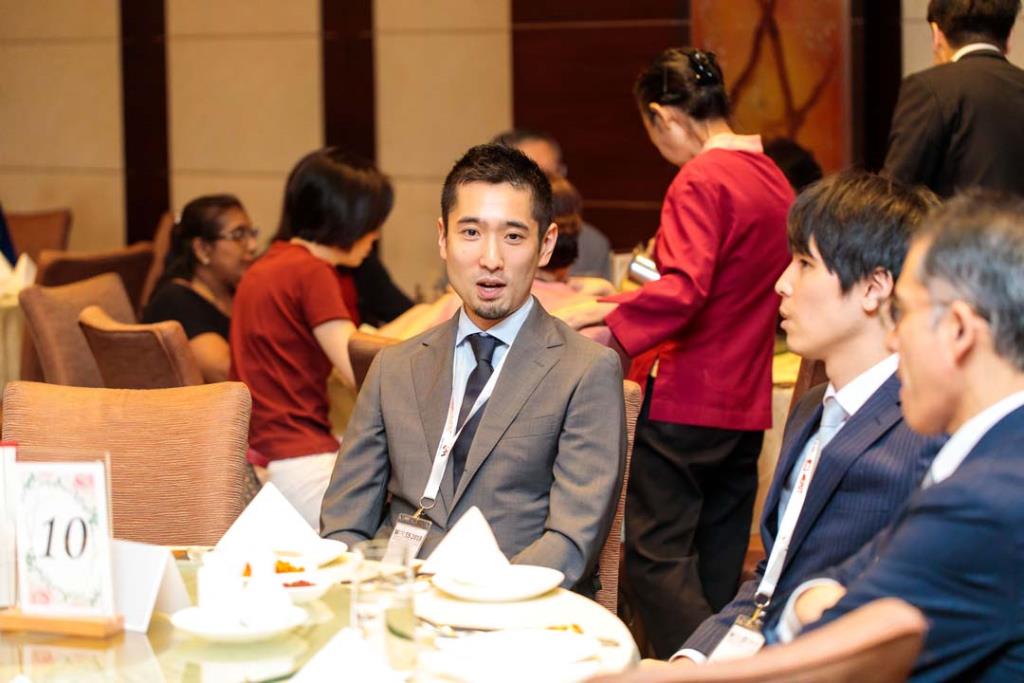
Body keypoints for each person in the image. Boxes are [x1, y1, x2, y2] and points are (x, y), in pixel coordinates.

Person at [559, 47, 794, 656]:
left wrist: (611, 319)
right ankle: (728, 658)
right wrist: (619, 303)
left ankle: (704, 669)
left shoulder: (700, 178)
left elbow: (685, 288)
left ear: (664, 116)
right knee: (718, 556)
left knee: (655, 556)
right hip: (746, 396)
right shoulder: (772, 176)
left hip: (690, 393)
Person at [320, 144, 625, 592]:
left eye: (513, 237)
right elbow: (344, 524)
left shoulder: (585, 370)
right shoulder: (394, 366)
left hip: (512, 603)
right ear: (443, 238)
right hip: (395, 599)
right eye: (470, 233)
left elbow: (570, 541)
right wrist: (378, 595)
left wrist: (475, 598)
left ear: (546, 245)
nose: (491, 259)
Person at [669, 172, 943, 663]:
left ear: (874, 287)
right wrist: (689, 663)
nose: (782, 283)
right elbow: (769, 584)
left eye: (804, 263)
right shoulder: (811, 408)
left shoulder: (923, 433)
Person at [778, 191, 1024, 682]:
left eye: (904, 313)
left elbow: (835, 662)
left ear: (958, 330)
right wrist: (815, 601)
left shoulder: (989, 496)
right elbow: (843, 585)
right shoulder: (988, 455)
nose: (892, 339)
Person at [230, 148, 393, 527]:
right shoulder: (312, 272)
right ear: (347, 219)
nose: (376, 235)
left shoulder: (268, 264)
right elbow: (358, 368)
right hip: (299, 457)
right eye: (373, 221)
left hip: (264, 453)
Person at [883, 0, 1024, 197]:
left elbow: (897, 188)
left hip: (956, 217)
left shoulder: (929, 87)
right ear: (1009, 37)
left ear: (937, 34)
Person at [143, 194, 257, 382]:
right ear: (202, 249)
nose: (252, 246)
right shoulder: (176, 301)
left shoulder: (231, 288)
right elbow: (225, 372)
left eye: (251, 233)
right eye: (238, 235)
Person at [491, 129, 614, 281]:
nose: (548, 187)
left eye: (554, 175)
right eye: (532, 177)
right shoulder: (476, 245)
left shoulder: (590, 244)